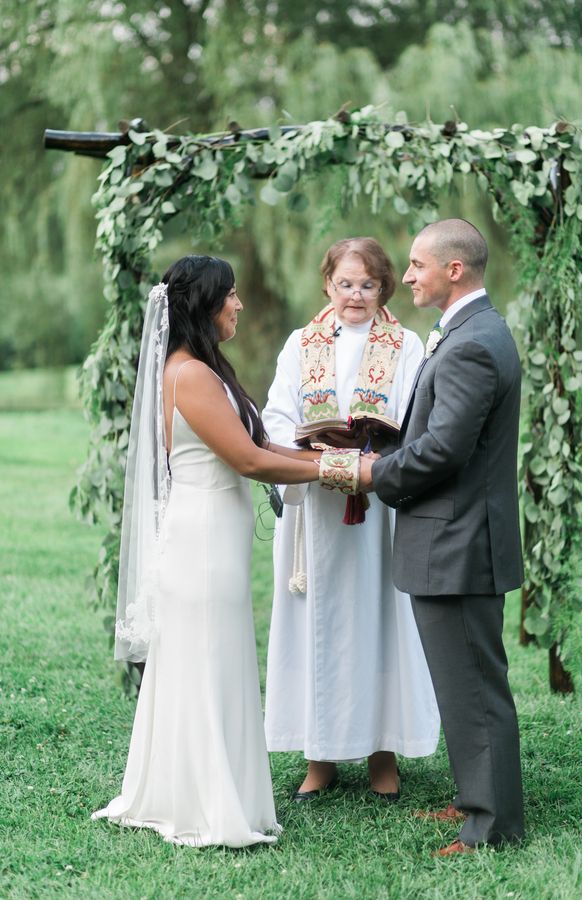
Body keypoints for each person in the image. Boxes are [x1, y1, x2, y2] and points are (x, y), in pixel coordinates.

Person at [92, 255, 322, 848]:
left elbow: (261, 442)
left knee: (210, 658)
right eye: (232, 296)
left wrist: (329, 455)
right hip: (202, 539)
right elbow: (248, 461)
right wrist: (340, 472)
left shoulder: (202, 369)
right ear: (204, 305)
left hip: (215, 534)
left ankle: (195, 787)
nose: (239, 305)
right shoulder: (189, 375)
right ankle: (205, 801)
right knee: (205, 659)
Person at [360, 219, 524, 855]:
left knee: (475, 688)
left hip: (458, 543)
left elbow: (443, 452)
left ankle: (491, 826)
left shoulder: (473, 343)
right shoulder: (470, 332)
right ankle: (474, 796)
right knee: (464, 681)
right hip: (458, 538)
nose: (406, 277)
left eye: (415, 265)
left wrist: (372, 472)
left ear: (454, 269)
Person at [262, 237, 440, 801]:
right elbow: (275, 415)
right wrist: (310, 438)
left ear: (384, 287)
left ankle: (382, 753)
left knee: (378, 621)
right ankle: (320, 757)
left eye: (367, 284)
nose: (355, 295)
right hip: (315, 505)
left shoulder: (405, 344)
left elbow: (419, 414)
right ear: (327, 285)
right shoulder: (302, 343)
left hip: (379, 507)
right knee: (319, 626)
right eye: (345, 284)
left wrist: (377, 438)